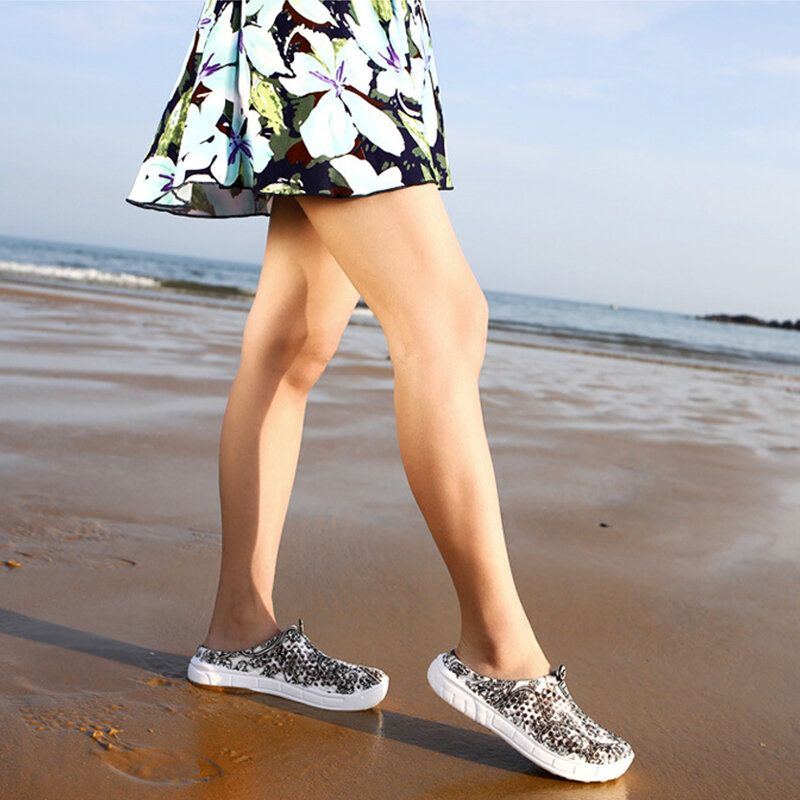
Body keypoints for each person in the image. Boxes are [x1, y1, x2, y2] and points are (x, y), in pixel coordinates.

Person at [126, 0, 633, 783]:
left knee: (297, 336)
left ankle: (238, 629)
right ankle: (498, 653)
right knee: (447, 320)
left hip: (372, 28)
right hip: (323, 23)